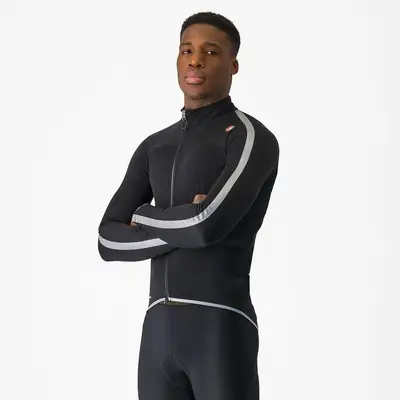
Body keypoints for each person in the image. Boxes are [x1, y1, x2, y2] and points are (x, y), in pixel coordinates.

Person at [97, 11, 280, 400]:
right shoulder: (153, 146)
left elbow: (206, 227)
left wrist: (144, 215)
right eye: (186, 50)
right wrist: (187, 219)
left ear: (233, 65)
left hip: (219, 327)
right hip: (156, 331)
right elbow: (108, 240)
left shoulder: (249, 137)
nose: (195, 60)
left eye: (210, 52)